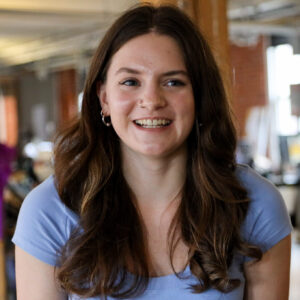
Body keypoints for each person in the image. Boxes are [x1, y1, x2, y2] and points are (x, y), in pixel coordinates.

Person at [12, 4, 292, 300]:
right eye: (130, 82)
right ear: (104, 98)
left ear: (199, 96)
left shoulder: (255, 203)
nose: (151, 100)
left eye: (173, 82)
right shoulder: (49, 210)